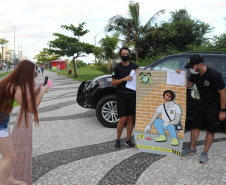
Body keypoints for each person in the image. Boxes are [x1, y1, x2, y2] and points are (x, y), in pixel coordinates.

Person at [0, 60, 49, 185]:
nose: (34, 76)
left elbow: (26, 100)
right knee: (9, 156)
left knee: (9, 156)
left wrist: (37, 91)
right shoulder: (14, 87)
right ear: (26, 73)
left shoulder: (14, 84)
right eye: (33, 74)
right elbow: (31, 109)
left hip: (3, 121)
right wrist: (43, 92)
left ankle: (8, 180)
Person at [181, 54, 226, 163]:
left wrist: (222, 111)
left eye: (192, 67)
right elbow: (188, 85)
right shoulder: (195, 74)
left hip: (214, 105)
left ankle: (205, 153)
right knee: (195, 126)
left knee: (210, 130)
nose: (191, 69)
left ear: (199, 65)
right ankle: (192, 149)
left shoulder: (214, 75)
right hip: (201, 103)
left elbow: (222, 93)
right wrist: (179, 76)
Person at [111, 47, 138, 148]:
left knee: (131, 118)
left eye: (127, 54)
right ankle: (117, 140)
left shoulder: (134, 66)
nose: (125, 56)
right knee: (122, 119)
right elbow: (113, 83)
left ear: (129, 55)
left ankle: (128, 140)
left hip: (132, 95)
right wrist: (123, 79)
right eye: (123, 54)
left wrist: (139, 73)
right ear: (120, 55)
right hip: (121, 95)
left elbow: (141, 79)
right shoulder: (117, 68)